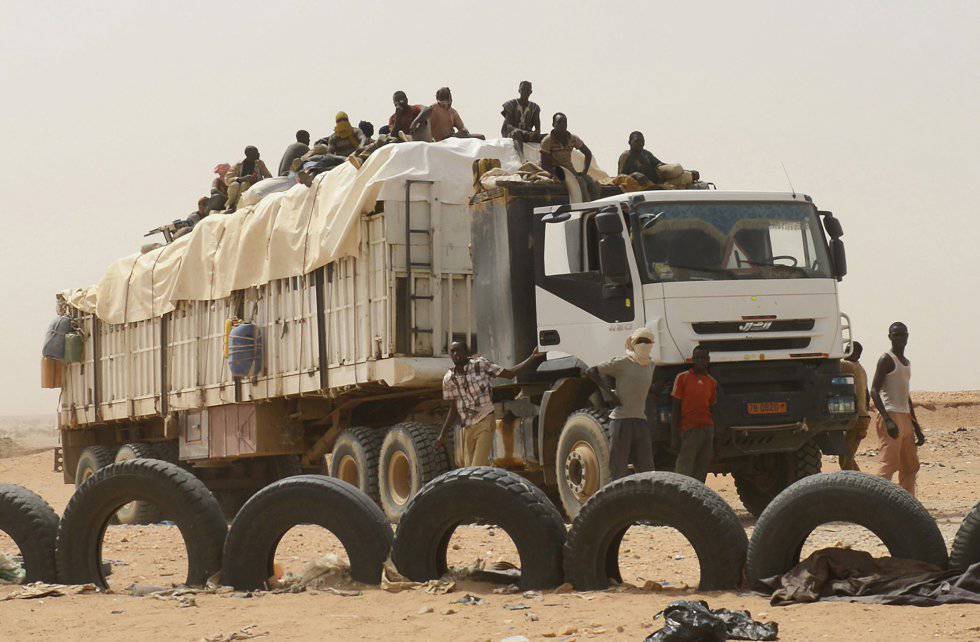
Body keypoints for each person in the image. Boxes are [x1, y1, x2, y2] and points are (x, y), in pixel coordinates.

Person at [437, 341, 547, 467]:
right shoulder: (449, 379)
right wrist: (443, 434)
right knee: (468, 471)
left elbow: (510, 374)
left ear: (466, 352)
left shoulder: (481, 365)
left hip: (485, 421)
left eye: (458, 350)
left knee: (476, 467)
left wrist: (532, 358)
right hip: (467, 427)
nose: (455, 354)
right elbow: (454, 407)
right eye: (452, 351)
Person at [585, 327, 657, 481]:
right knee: (618, 467)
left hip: (640, 421)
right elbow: (592, 371)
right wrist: (611, 394)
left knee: (647, 469)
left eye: (647, 341)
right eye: (640, 341)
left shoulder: (651, 365)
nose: (644, 344)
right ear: (633, 344)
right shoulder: (622, 362)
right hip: (621, 421)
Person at [871, 322, 924, 495]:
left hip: (905, 416)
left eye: (902, 335)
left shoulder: (906, 363)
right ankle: (876, 503)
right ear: (890, 337)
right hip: (891, 414)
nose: (899, 338)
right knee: (888, 465)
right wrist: (887, 420)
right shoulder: (886, 359)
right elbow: (874, 391)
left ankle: (907, 505)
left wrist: (916, 426)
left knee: (910, 466)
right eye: (895, 335)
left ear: (907, 337)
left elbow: (906, 396)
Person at [671, 345, 718, 483]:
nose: (700, 361)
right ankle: (679, 494)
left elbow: (713, 409)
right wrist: (674, 434)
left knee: (702, 467)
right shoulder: (682, 378)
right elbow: (675, 408)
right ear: (693, 359)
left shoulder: (712, 382)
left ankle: (697, 497)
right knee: (684, 466)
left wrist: (715, 434)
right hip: (690, 428)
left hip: (707, 429)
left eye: (703, 358)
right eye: (697, 358)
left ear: (708, 360)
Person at [540, 113, 597, 201]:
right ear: (553, 124)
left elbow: (588, 153)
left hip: (571, 171)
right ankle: (586, 210)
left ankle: (597, 208)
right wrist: (557, 174)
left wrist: (584, 172)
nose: (562, 125)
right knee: (580, 183)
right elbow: (544, 164)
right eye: (559, 122)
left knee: (593, 183)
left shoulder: (572, 139)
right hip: (557, 173)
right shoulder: (547, 140)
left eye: (564, 122)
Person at [838, 341, 872, 471]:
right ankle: (860, 482)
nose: (845, 352)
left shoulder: (847, 365)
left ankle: (859, 485)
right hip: (863, 418)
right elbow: (867, 395)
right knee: (848, 456)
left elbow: (833, 364)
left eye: (848, 349)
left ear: (856, 354)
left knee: (845, 459)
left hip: (857, 418)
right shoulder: (861, 369)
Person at [224, 146, 271, 212]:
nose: (258, 154)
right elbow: (227, 179)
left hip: (255, 186)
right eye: (255, 153)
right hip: (239, 186)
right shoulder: (239, 165)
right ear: (247, 154)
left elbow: (268, 176)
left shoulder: (259, 163)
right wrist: (240, 179)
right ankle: (231, 205)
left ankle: (238, 206)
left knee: (245, 184)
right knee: (235, 185)